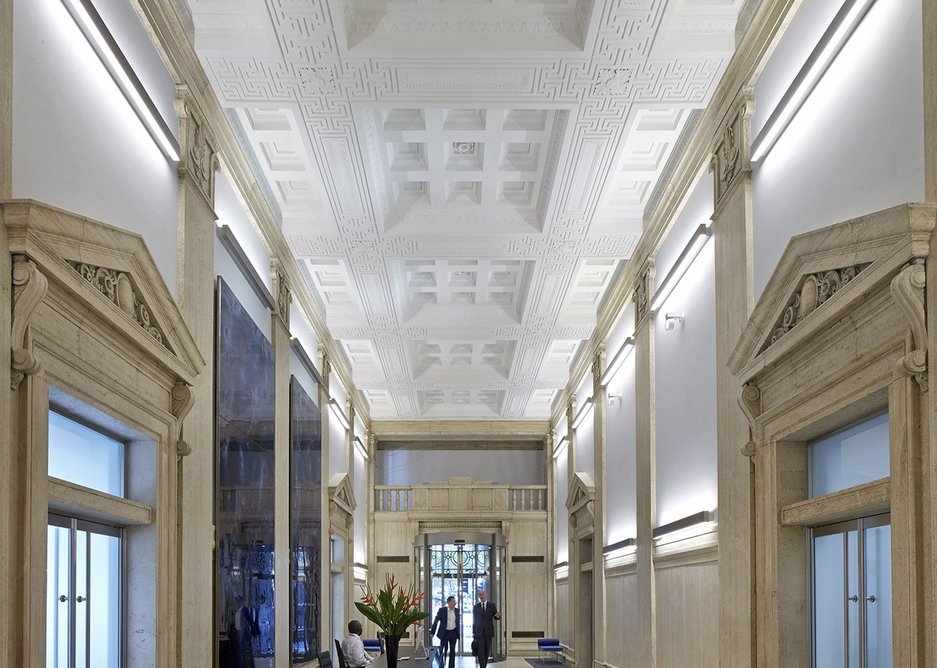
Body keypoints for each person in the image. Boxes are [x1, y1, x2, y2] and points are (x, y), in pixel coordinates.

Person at [471, 589, 501, 668]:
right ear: (478, 596)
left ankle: (484, 665)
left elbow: (496, 616)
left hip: (488, 632)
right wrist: (474, 633)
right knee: (480, 652)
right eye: (480, 594)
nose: (481, 596)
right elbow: (474, 620)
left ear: (485, 595)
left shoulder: (491, 605)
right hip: (479, 633)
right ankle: (482, 667)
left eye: (483, 594)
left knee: (486, 651)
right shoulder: (476, 607)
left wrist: (498, 616)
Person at [431, 595, 460, 668]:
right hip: (445, 633)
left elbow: (457, 622)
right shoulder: (442, 610)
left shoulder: (457, 611)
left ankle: (451, 666)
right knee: (443, 651)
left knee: (452, 651)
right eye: (453, 601)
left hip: (453, 633)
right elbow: (436, 621)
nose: (455, 603)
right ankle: (442, 666)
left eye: (455, 601)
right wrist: (432, 632)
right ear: (448, 602)